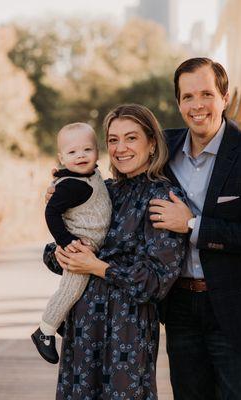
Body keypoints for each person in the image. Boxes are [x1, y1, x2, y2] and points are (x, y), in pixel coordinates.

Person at [147, 57, 241, 399]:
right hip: (181, 307)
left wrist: (193, 225)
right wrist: (69, 188)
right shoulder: (163, 152)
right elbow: (120, 180)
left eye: (206, 94)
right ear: (178, 102)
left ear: (225, 98)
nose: (197, 106)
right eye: (188, 97)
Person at [42, 104, 187, 399]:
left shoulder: (163, 198)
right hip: (82, 329)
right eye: (113, 140)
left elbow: (155, 281)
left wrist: (97, 267)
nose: (121, 148)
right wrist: (61, 253)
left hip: (127, 331)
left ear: (152, 144)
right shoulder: (98, 190)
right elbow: (55, 251)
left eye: (131, 138)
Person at [31, 122, 112, 364]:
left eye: (87, 150)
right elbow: (51, 213)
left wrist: (58, 176)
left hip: (89, 246)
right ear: (62, 156)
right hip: (79, 247)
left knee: (77, 289)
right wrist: (66, 242)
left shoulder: (90, 175)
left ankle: (60, 321)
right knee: (71, 288)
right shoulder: (72, 186)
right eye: (72, 152)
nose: (81, 156)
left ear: (97, 152)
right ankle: (44, 330)